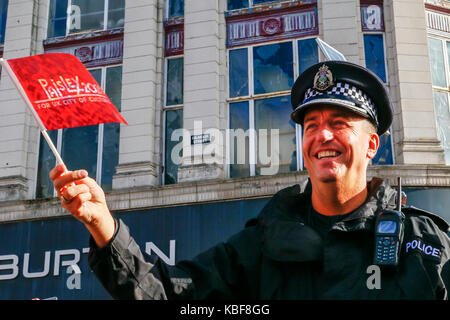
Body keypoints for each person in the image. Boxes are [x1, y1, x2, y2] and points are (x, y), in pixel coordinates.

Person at [50, 60, 450, 300]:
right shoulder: (262, 244)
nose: (322, 136)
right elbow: (170, 294)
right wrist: (103, 224)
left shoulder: (424, 242)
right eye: (311, 125)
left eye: (339, 124)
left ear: (371, 145)